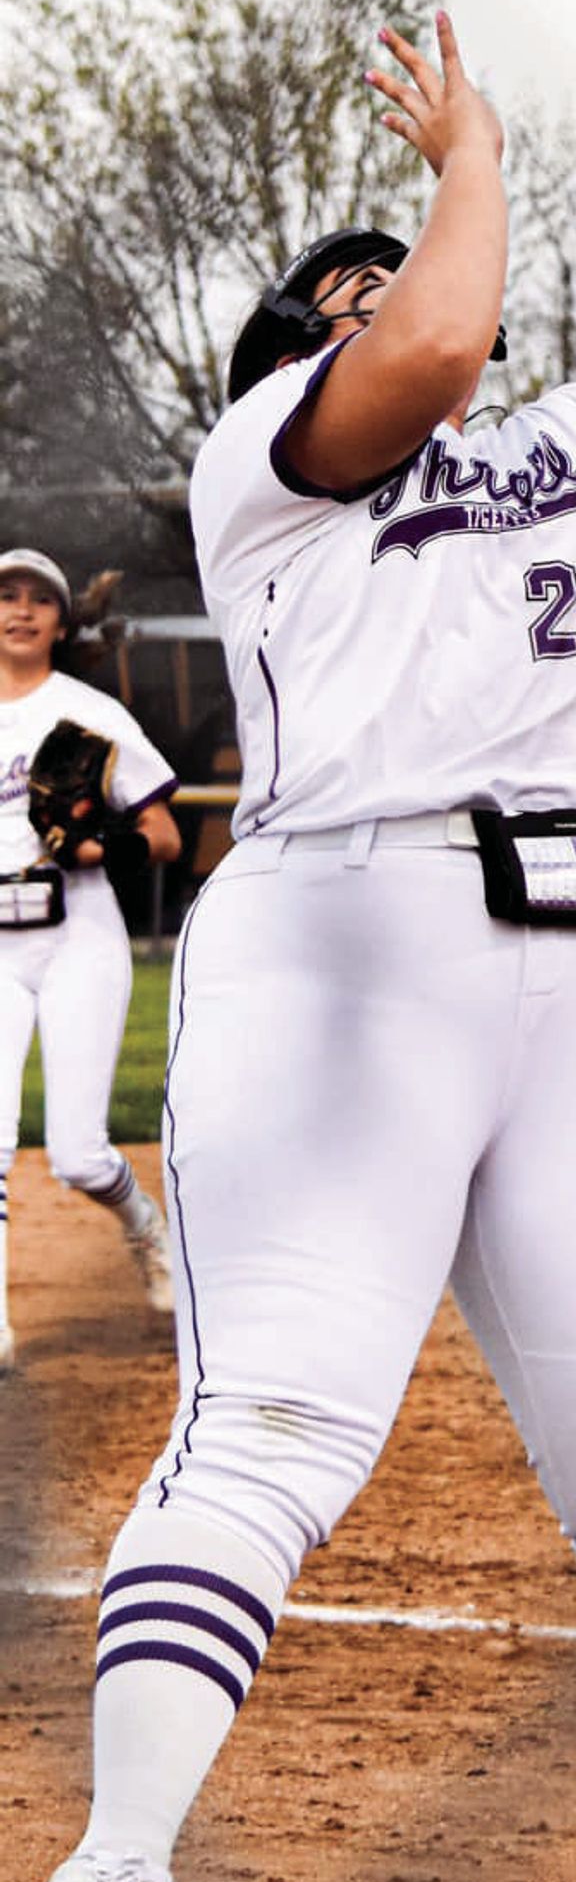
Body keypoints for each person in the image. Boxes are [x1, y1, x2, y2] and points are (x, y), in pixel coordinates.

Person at [47, 0, 576, 1882]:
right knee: (277, 1418)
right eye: (334, 297)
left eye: (403, 260)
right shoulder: (265, 472)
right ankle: (121, 1857)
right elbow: (443, 344)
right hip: (341, 941)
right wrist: (476, 153)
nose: (384, 293)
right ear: (287, 360)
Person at [0, 549, 183, 1371]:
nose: (22, 609)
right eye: (6, 595)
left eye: (41, 598)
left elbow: (166, 835)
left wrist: (97, 841)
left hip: (78, 933)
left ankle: (144, 1223)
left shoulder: (87, 712)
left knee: (76, 1152)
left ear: (63, 622)